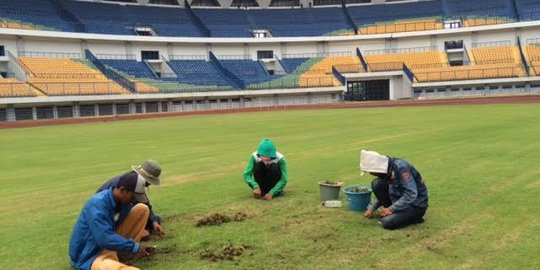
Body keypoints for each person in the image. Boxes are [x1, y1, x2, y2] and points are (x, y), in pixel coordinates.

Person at [69, 172, 154, 270]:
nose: (134, 200)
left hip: (108, 243)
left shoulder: (123, 201)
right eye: (133, 196)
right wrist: (134, 247)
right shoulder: (97, 204)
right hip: (89, 255)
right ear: (123, 190)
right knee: (112, 267)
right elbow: (104, 239)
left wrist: (133, 247)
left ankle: (124, 254)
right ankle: (119, 256)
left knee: (142, 209)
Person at [360, 150, 428, 230]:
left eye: (371, 171)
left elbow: (411, 194)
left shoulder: (401, 167)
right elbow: (385, 193)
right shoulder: (387, 171)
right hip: (399, 200)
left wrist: (391, 209)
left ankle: (417, 217)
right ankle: (396, 213)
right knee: (377, 184)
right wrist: (372, 208)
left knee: (387, 222)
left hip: (415, 205)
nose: (371, 174)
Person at [97, 160, 164, 239]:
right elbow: (114, 216)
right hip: (106, 225)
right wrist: (135, 230)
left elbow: (144, 205)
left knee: (150, 216)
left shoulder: (135, 184)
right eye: (148, 182)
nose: (148, 185)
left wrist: (154, 221)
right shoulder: (121, 190)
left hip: (115, 219)